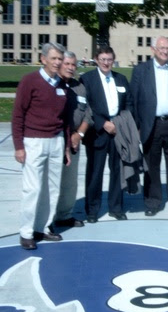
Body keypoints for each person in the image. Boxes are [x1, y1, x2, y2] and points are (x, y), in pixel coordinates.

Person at [12, 42, 70, 249]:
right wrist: (19, 145)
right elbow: (18, 114)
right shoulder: (30, 81)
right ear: (43, 59)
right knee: (33, 189)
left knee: (52, 189)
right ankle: (26, 233)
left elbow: (65, 119)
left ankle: (42, 227)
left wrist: (65, 147)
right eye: (53, 58)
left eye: (59, 59)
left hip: (56, 141)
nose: (57, 63)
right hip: (34, 141)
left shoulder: (62, 85)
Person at [131, 36, 168, 217]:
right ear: (153, 49)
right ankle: (152, 202)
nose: (165, 51)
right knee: (151, 166)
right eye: (161, 47)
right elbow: (134, 101)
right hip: (151, 125)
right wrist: (137, 126)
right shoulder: (141, 71)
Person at [81, 46, 134, 223]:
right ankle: (92, 210)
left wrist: (122, 123)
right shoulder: (87, 79)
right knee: (95, 172)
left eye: (109, 59)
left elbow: (129, 104)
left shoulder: (121, 79)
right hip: (97, 132)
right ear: (96, 59)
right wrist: (103, 123)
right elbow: (86, 106)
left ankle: (116, 207)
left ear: (113, 60)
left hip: (118, 130)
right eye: (102, 59)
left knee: (118, 171)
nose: (106, 63)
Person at [54, 51, 90, 228]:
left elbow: (88, 113)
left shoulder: (79, 87)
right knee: (52, 182)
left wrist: (80, 134)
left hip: (74, 140)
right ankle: (46, 220)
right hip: (55, 139)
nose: (70, 67)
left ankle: (64, 215)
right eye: (67, 63)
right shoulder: (53, 84)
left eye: (73, 64)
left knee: (70, 182)